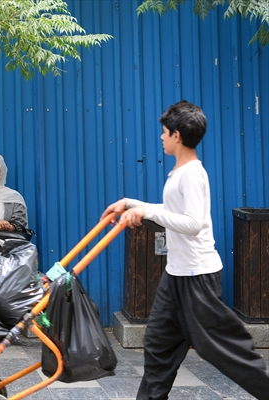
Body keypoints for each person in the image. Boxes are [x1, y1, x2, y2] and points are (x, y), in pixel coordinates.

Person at [101, 101, 269, 400]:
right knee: (158, 344)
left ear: (177, 135)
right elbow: (171, 210)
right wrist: (130, 204)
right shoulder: (180, 172)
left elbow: (193, 223)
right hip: (176, 275)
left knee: (220, 349)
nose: (162, 137)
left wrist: (146, 214)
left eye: (165, 132)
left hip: (197, 276)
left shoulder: (192, 173)